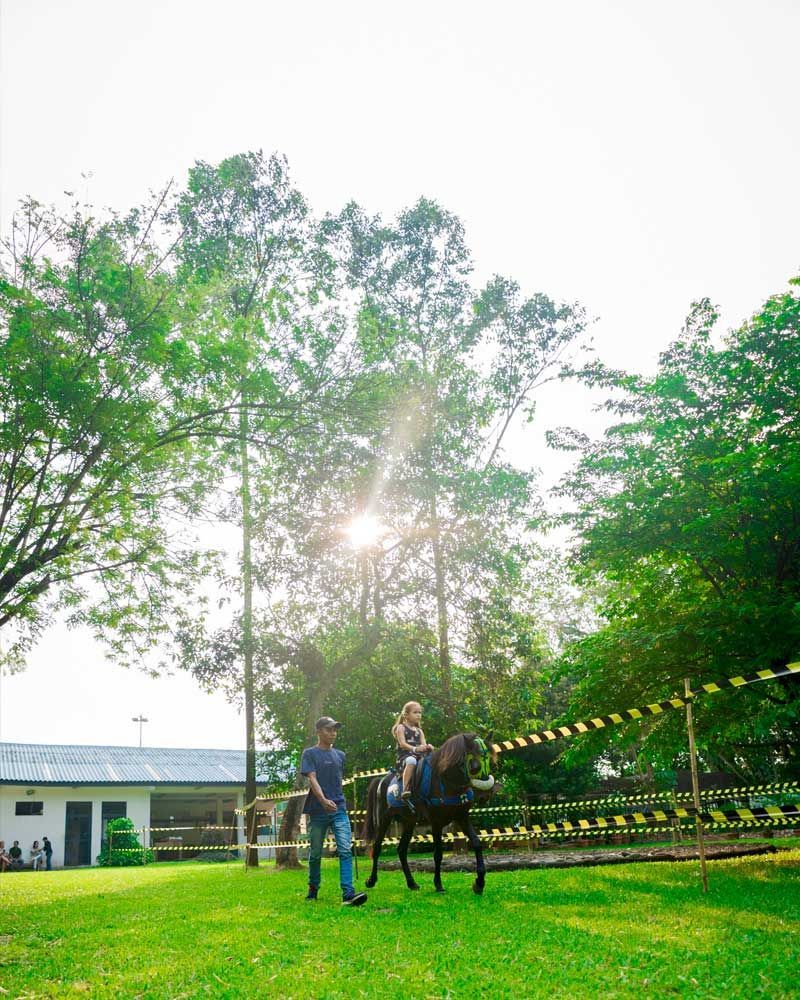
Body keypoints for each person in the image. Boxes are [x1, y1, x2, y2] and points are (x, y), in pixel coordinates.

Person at [300, 716, 367, 907]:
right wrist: (322, 800)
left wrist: (333, 801)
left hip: (339, 808)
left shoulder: (340, 755)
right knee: (315, 853)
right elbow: (312, 778)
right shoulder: (309, 754)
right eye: (329, 729)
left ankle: (348, 893)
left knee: (345, 849)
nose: (333, 733)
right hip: (317, 810)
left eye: (335, 730)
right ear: (319, 731)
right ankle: (313, 888)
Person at [392, 701, 434, 800]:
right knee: (411, 760)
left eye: (420, 712)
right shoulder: (401, 728)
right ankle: (405, 789)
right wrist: (415, 748)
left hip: (419, 756)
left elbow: (423, 744)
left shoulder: (419, 731)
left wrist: (428, 747)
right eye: (415, 712)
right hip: (405, 757)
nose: (419, 715)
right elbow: (402, 744)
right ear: (406, 715)